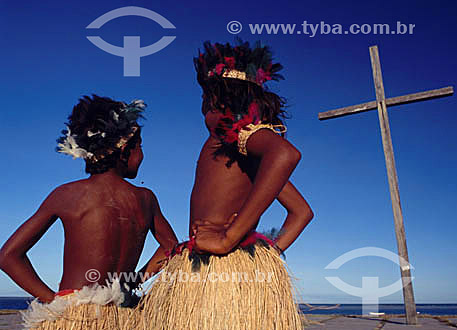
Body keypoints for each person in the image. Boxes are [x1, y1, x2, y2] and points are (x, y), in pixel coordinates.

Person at [141, 40, 313, 330]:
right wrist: (267, 253)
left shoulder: (243, 135)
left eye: (207, 104)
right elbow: (302, 213)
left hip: (221, 272)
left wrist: (231, 238)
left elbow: (285, 154)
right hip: (204, 268)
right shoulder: (233, 148)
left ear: (222, 102)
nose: (203, 112)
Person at [0, 95, 177, 329]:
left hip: (74, 317)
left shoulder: (67, 194)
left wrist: (53, 301)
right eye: (140, 146)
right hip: (124, 316)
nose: (142, 155)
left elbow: (7, 256)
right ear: (124, 150)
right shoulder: (146, 199)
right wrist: (133, 281)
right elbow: (171, 247)